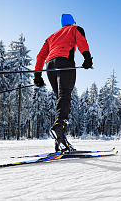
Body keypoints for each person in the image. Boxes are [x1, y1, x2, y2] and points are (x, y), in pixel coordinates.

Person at [33, 13, 93, 152]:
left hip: (50, 66)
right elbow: (82, 42)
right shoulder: (75, 29)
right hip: (65, 62)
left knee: (61, 99)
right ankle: (59, 128)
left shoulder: (51, 37)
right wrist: (87, 58)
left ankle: (60, 141)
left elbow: (41, 55)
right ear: (72, 23)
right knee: (65, 95)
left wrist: (38, 75)